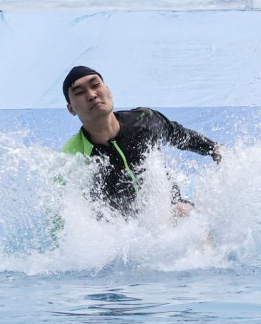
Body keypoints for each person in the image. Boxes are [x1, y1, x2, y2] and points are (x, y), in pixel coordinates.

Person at [61, 66, 222, 217]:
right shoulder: (72, 155)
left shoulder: (144, 120)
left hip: (170, 210)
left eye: (95, 85)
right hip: (120, 231)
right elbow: (64, 208)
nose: (91, 95)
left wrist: (214, 149)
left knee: (184, 213)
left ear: (108, 90)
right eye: (79, 92)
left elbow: (179, 135)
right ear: (71, 109)